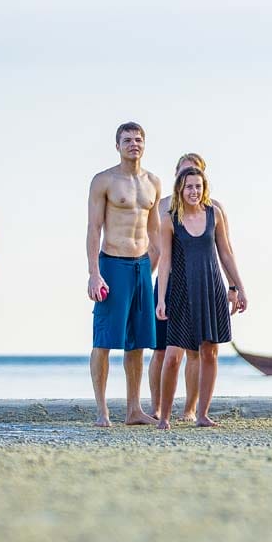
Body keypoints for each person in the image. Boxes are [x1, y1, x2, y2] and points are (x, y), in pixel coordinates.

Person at [155, 167, 247, 428]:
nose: (193, 191)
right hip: (182, 291)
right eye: (188, 187)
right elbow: (164, 263)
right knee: (173, 357)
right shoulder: (170, 220)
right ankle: (164, 417)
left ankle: (203, 414)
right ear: (179, 190)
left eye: (198, 186)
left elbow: (226, 254)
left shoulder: (213, 214)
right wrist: (161, 299)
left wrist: (238, 287)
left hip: (212, 289)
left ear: (204, 188)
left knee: (210, 353)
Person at [87, 122, 162, 427]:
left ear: (144, 144)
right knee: (104, 340)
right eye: (127, 140)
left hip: (141, 265)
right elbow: (93, 229)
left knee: (138, 341)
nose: (134, 144)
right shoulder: (104, 180)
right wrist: (94, 273)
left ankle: (134, 409)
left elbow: (155, 229)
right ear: (116, 145)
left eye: (138, 139)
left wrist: (155, 267)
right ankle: (102, 410)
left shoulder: (153, 182)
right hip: (112, 264)